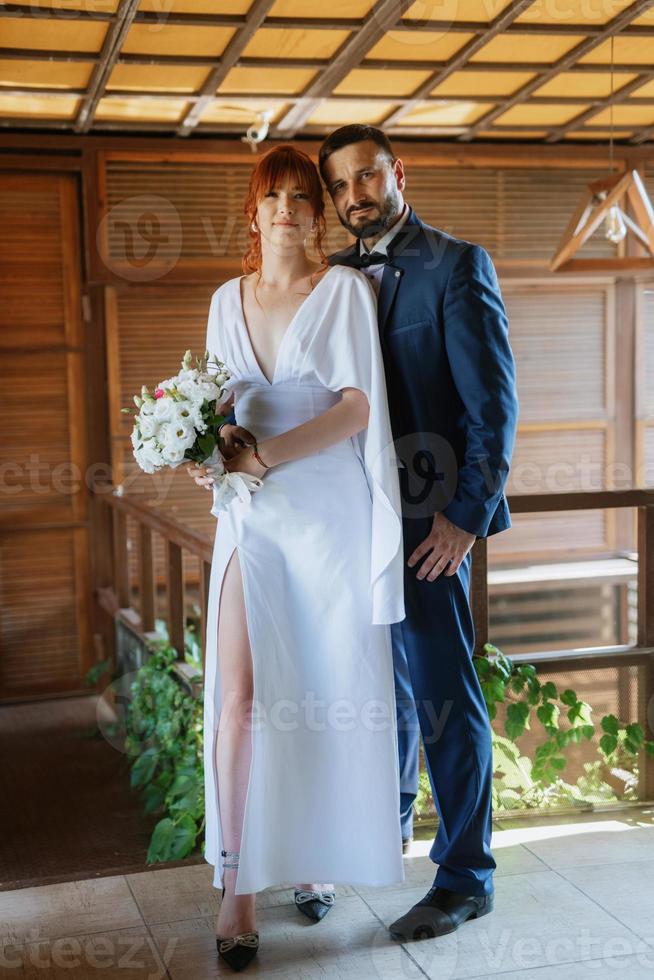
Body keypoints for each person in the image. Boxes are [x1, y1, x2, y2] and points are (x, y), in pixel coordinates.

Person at [188, 143, 406, 971]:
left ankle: (314, 861)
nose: (286, 208)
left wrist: (269, 456)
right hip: (251, 521)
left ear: (318, 214)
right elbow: (215, 403)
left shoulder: (343, 291)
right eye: (271, 195)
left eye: (300, 196)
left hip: (329, 520)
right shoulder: (223, 300)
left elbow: (357, 409)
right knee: (239, 701)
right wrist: (198, 441)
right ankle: (237, 885)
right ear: (253, 211)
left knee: (321, 694)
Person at [313, 124, 519, 942]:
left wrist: (464, 520)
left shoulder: (456, 264)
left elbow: (492, 407)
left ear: (397, 173)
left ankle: (466, 875)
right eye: (339, 186)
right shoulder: (331, 279)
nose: (354, 195)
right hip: (350, 525)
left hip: (429, 527)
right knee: (374, 690)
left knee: (440, 691)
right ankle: (374, 834)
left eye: (366, 177)